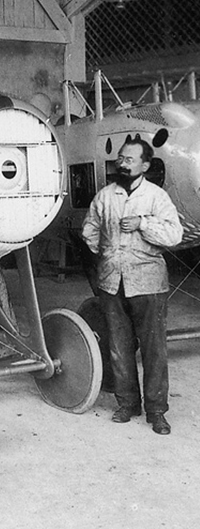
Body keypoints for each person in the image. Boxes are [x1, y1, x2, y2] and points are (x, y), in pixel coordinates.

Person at [81, 140, 182, 435]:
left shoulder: (156, 197)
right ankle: (127, 404)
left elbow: (174, 234)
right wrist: (106, 252)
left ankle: (157, 411)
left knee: (154, 351)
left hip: (148, 283)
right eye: (120, 158)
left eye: (130, 159)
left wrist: (143, 223)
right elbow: (90, 228)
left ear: (145, 166)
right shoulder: (105, 196)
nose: (122, 163)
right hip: (112, 282)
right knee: (118, 347)